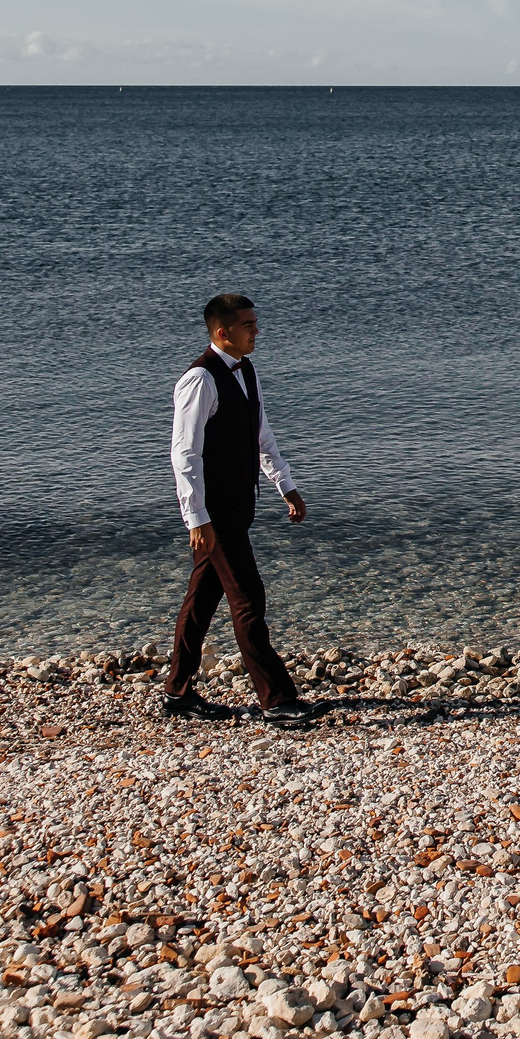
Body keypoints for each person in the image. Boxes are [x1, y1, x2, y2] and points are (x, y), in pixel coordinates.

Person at [160, 292, 315, 724]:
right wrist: (197, 518)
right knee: (248, 598)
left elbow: (261, 434)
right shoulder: (199, 380)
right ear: (222, 332)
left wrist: (286, 486)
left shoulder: (246, 370)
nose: (257, 331)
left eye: (255, 323)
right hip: (215, 513)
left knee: (201, 599)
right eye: (248, 325)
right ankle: (277, 699)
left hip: (239, 505)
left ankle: (178, 692)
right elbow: (184, 455)